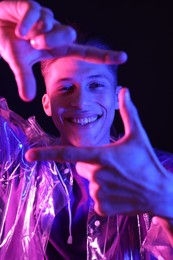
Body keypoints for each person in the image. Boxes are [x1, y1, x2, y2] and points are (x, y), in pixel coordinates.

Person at [0, 1, 173, 259]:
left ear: (117, 98)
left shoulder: (159, 173)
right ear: (46, 103)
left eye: (95, 85)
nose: (80, 102)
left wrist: (167, 203)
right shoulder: (19, 162)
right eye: (65, 88)